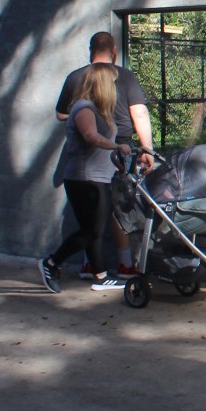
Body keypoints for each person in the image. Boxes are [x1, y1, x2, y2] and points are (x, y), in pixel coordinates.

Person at [55, 31, 153, 275]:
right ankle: (122, 263)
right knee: (118, 208)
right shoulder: (124, 76)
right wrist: (146, 149)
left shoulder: (76, 77)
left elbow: (60, 113)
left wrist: (77, 120)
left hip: (105, 151)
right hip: (114, 150)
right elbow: (139, 113)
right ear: (114, 51)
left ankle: (93, 264)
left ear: (91, 51)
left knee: (94, 213)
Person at [40, 63, 132, 293]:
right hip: (84, 179)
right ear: (102, 84)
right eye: (111, 82)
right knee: (92, 230)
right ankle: (51, 262)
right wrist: (117, 146)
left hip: (98, 177)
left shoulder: (99, 109)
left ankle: (100, 275)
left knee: (92, 229)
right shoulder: (84, 108)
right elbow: (91, 136)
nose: (114, 87)